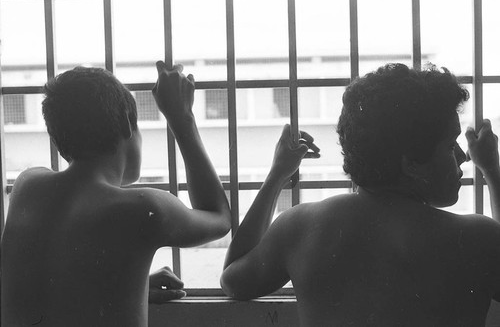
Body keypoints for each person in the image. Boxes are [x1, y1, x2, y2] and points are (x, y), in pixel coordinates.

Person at [221, 63, 500, 326]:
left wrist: (277, 176)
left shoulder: (301, 227)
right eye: (451, 145)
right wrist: (492, 170)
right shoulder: (476, 238)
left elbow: (233, 281)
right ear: (411, 163)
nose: (464, 156)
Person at [1, 61, 231, 327]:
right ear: (125, 121)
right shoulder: (145, 207)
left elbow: (51, 276)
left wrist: (123, 283)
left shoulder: (27, 187)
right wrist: (181, 118)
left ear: (60, 143)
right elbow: (220, 217)